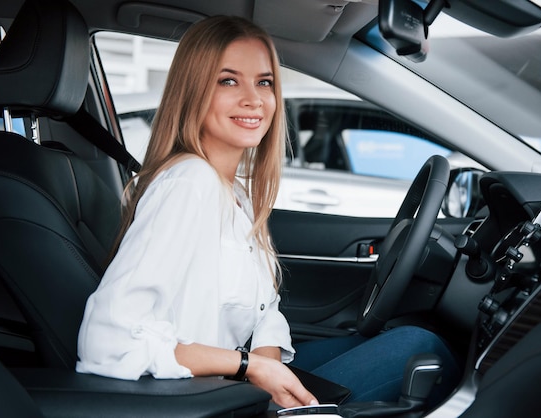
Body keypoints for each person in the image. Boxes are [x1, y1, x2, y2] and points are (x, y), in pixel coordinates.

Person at [76, 15, 459, 410]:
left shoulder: (234, 191)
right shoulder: (189, 184)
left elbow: (264, 309)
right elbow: (107, 341)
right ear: (192, 92)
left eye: (264, 82)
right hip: (201, 399)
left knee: (406, 342)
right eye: (228, 80)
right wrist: (250, 368)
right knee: (421, 348)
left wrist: (267, 364)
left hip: (235, 384)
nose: (253, 99)